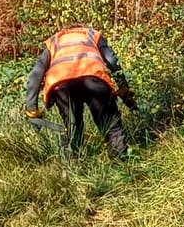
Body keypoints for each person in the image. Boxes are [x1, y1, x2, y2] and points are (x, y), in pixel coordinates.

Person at [25, 23, 131, 156]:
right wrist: (124, 88)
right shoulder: (92, 35)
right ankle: (120, 161)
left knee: (72, 128)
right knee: (110, 126)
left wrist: (32, 108)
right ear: (81, 27)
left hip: (62, 86)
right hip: (94, 80)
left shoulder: (54, 41)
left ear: (66, 30)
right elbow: (112, 61)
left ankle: (73, 167)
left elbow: (36, 74)